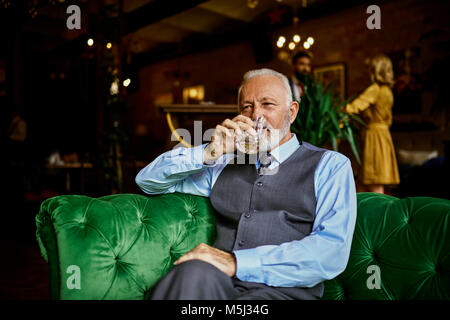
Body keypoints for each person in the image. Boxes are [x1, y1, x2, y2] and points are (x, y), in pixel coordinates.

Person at [136, 68, 357, 300]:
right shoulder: (223, 164)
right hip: (217, 285)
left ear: (291, 113)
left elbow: (331, 251)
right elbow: (148, 181)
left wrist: (236, 262)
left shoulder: (330, 165)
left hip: (283, 294)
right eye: (247, 107)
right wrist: (209, 152)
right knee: (192, 271)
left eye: (268, 104)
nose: (256, 116)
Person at [345, 54, 400, 194]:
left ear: (375, 70)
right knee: (365, 183)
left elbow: (356, 106)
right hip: (384, 135)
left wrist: (338, 113)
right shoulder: (388, 91)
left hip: (374, 138)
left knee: (374, 181)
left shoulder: (375, 89)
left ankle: (378, 214)